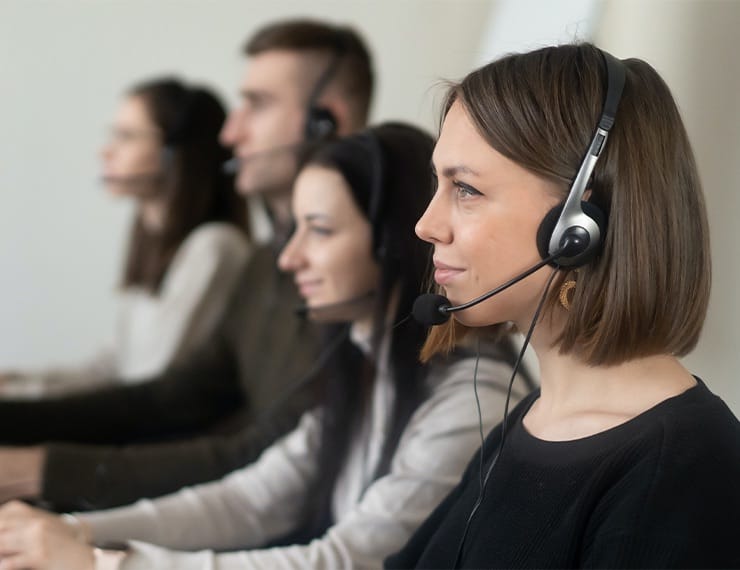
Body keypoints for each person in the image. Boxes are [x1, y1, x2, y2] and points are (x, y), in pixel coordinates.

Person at [0, 123, 527, 569]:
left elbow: (349, 559)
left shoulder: (468, 395)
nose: (288, 258)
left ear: (394, 242)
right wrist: (69, 530)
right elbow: (251, 500)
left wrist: (102, 561)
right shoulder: (367, 367)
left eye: (318, 231)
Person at [384, 43, 740, 568]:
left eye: (465, 188)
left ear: (578, 226)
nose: (426, 225)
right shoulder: (530, 422)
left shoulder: (685, 472)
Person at [0, 19, 374, 511]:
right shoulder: (265, 263)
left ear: (326, 121)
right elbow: (169, 397)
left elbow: (263, 459)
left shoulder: (353, 280)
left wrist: (41, 472)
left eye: (256, 105)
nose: (230, 131)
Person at [0, 78, 250, 398]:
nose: (106, 151)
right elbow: (113, 368)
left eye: (127, 136)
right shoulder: (154, 244)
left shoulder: (215, 246)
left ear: (175, 152)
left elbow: (146, 384)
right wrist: (12, 384)